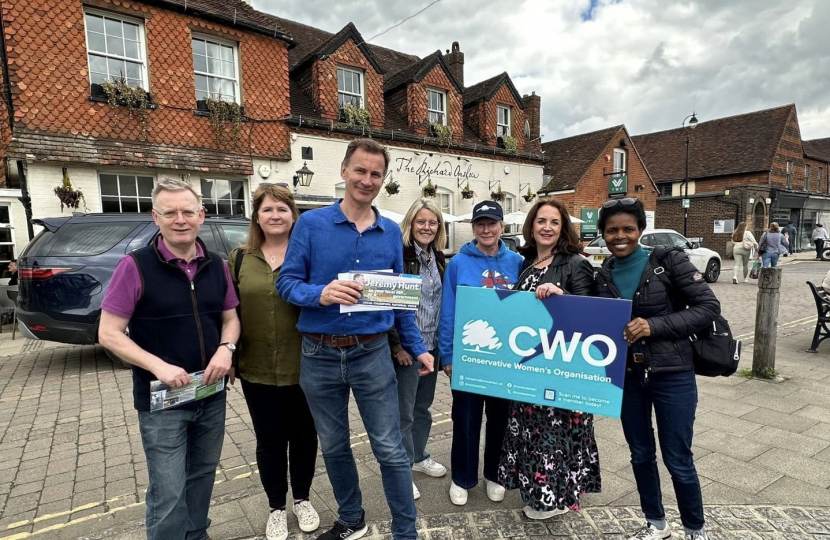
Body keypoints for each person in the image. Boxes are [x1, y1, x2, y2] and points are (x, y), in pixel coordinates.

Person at [276, 139, 434, 540]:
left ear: (383, 179)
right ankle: (351, 518)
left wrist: (418, 349)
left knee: (389, 447)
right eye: (360, 171)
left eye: (376, 173)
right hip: (318, 352)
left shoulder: (389, 235)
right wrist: (320, 293)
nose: (367, 180)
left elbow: (400, 303)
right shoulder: (311, 225)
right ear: (344, 171)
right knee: (334, 446)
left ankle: (405, 531)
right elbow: (286, 283)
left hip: (371, 353)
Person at [98, 178, 240, 540]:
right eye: (170, 212)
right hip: (162, 400)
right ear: (155, 217)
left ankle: (197, 535)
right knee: (168, 491)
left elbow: (230, 319)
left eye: (188, 211)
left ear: (201, 216)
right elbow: (109, 333)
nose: (180, 219)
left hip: (209, 393)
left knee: (203, 476)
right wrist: (157, 365)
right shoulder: (135, 266)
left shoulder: (218, 266)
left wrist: (227, 349)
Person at [593, 198, 720, 540]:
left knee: (678, 458)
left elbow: (708, 306)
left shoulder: (666, 261)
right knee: (640, 454)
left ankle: (695, 529)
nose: (620, 236)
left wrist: (653, 325)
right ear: (603, 234)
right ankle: (656, 523)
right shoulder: (603, 274)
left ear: (640, 230)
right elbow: (585, 316)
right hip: (627, 377)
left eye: (627, 229)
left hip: (672, 375)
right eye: (612, 231)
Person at [497, 198, 600, 520]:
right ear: (531, 225)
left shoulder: (574, 262)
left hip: (560, 368)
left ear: (562, 227)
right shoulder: (527, 263)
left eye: (554, 222)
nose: (547, 227)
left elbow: (590, 316)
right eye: (541, 221)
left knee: (553, 439)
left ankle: (553, 499)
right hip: (531, 368)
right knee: (531, 436)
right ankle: (538, 493)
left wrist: (562, 297)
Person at [228, 184, 319, 540]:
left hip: (306, 364)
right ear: (257, 216)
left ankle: (303, 499)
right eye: (268, 209)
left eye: (283, 209)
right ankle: (275, 508)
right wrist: (229, 354)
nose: (276, 216)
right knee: (269, 439)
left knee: (304, 436)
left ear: (293, 215)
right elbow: (229, 311)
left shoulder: (309, 257)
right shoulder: (238, 258)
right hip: (256, 366)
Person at [438, 200, 522, 506]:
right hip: (470, 355)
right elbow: (448, 311)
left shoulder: (516, 261)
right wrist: (447, 356)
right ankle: (462, 477)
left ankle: (495, 474)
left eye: (492, 223)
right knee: (466, 419)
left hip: (504, 359)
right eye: (480, 224)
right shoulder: (458, 263)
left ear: (502, 226)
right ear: (473, 228)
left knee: (501, 419)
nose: (486, 229)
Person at [388, 199, 449, 501]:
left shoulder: (437, 257)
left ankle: (419, 456)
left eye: (433, 222)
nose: (427, 227)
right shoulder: (400, 255)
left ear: (440, 227)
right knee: (403, 414)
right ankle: (402, 471)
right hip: (408, 349)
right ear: (410, 223)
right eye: (421, 221)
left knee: (422, 408)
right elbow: (388, 302)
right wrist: (398, 346)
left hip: (432, 346)